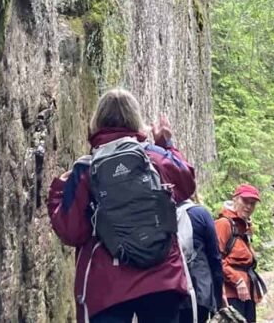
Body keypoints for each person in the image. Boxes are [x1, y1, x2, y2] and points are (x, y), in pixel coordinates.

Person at [48, 89, 196, 323]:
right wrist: (167, 144)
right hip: (162, 278)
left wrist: (58, 190)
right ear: (135, 120)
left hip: (107, 286)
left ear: (97, 122)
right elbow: (187, 183)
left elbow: (71, 231)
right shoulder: (155, 157)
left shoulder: (86, 169)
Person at [215, 184, 267, 322]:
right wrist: (237, 280)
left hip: (247, 292)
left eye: (253, 203)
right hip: (231, 292)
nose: (249, 207)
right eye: (245, 201)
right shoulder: (224, 224)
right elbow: (215, 259)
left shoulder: (244, 227)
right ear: (235, 199)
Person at [177, 194, 224, 323]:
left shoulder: (162, 213)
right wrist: (218, 297)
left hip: (171, 291)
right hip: (199, 291)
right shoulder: (200, 214)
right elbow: (215, 258)